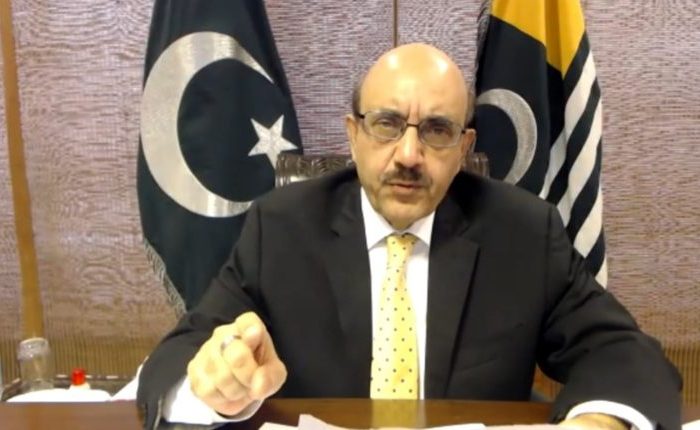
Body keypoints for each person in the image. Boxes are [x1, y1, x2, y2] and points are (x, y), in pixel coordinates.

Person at [137, 43, 681, 430]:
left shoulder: (522, 233)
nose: (409, 155)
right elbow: (178, 358)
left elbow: (624, 353)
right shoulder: (281, 227)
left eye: (437, 131)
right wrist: (217, 387)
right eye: (387, 124)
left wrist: (598, 422)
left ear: (464, 147)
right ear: (354, 135)